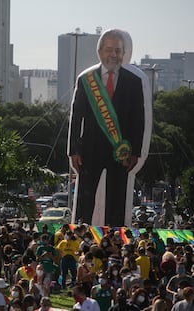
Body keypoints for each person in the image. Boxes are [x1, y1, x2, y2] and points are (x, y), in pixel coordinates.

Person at [68, 29, 147, 227]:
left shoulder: (134, 81)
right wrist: (74, 151)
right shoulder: (86, 79)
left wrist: (135, 152)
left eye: (118, 50)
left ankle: (115, 239)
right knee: (85, 201)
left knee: (117, 199)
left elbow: (139, 119)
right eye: (109, 50)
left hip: (121, 150)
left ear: (123, 53)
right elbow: (76, 117)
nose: (113, 55)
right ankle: (81, 233)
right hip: (89, 151)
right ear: (100, 51)